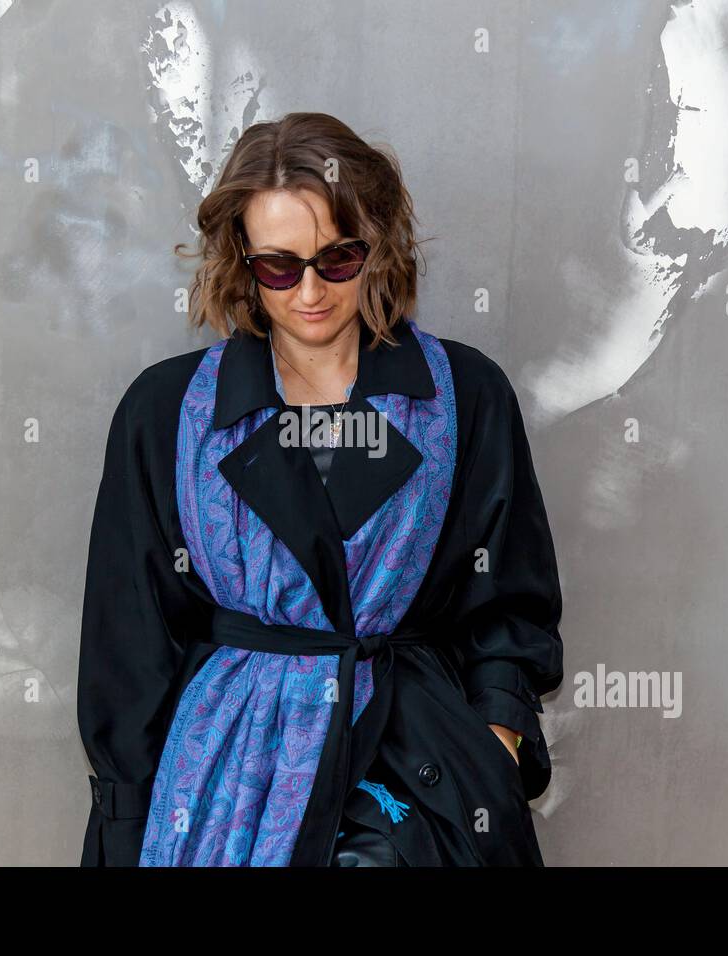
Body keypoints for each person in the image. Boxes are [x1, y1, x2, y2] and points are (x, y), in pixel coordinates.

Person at [76, 112, 564, 867]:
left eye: (338, 259)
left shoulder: (464, 395)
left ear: (379, 248)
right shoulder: (168, 413)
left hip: (419, 776)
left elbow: (507, 606)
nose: (310, 291)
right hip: (224, 788)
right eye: (279, 266)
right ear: (241, 259)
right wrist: (129, 829)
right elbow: (129, 650)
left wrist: (490, 750)